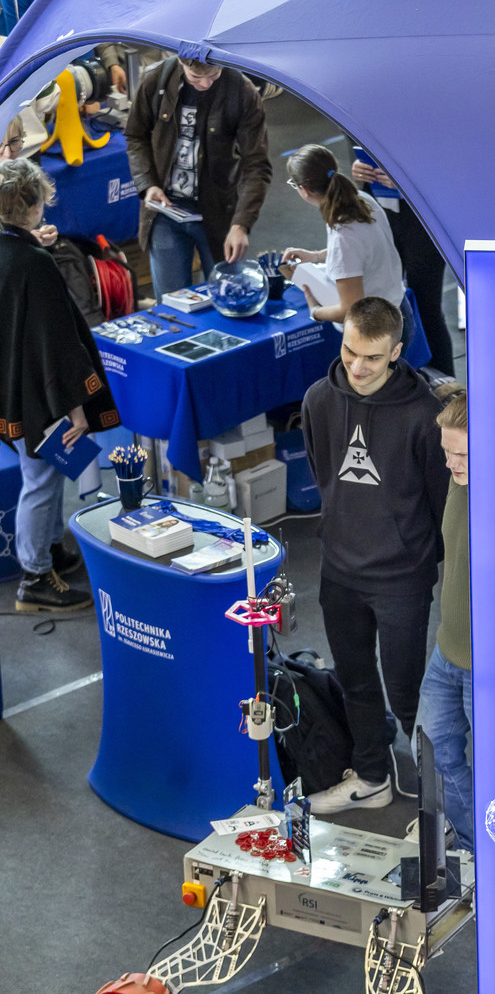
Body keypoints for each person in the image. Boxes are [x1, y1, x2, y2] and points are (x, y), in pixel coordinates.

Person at [301, 296, 450, 813]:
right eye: (350, 352)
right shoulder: (318, 400)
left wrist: (414, 555)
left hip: (401, 579)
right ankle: (372, 777)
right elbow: (324, 474)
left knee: (409, 692)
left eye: (372, 357)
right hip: (339, 570)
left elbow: (442, 501)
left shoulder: (425, 414)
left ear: (397, 352)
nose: (358, 367)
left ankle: (441, 802)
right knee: (355, 680)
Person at [0, 158, 120, 611]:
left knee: (43, 472)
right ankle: (34, 577)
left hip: (9, 385)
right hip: (39, 392)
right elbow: (60, 342)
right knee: (42, 478)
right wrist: (77, 408)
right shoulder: (35, 263)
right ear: (33, 205)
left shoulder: (16, 251)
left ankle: (50, 550)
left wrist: (35, 243)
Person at [124, 56, 272, 303]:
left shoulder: (242, 91)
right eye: (196, 77)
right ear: (181, 62)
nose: (205, 84)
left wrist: (241, 224)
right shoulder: (155, 79)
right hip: (165, 214)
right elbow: (135, 136)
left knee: (228, 300)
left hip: (218, 213)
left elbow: (257, 165)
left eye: (213, 75)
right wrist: (148, 185)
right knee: (171, 308)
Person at [413, 387, 473, 850]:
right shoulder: (459, 480)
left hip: (487, 665)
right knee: (432, 755)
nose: (451, 464)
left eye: (462, 455)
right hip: (446, 649)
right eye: (447, 452)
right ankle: (475, 844)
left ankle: (493, 855)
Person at [281, 144, 411, 340]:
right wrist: (316, 256)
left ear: (304, 190)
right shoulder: (360, 200)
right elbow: (361, 249)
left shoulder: (343, 232)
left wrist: (315, 311)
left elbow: (350, 310)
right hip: (397, 309)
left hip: (378, 332)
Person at [352, 153, 455, 376]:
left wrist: (409, 183)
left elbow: (450, 168)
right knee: (385, 302)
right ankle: (400, 381)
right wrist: (360, 168)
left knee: (426, 307)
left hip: (423, 220)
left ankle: (447, 387)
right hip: (384, 211)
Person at [1, 114, 58, 245]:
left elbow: (34, 221)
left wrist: (41, 233)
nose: (8, 153)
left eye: (14, 142)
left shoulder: (23, 176)